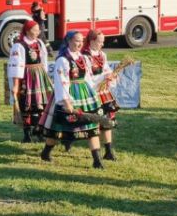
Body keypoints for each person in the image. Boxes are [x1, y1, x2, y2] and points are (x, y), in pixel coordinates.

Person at [39, 30, 105, 168]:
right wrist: (66, 101)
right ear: (68, 41)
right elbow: (61, 81)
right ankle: (46, 152)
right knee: (58, 129)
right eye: (76, 41)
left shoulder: (83, 58)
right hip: (69, 95)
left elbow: (88, 78)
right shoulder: (63, 60)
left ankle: (97, 161)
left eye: (81, 41)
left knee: (91, 127)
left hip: (84, 94)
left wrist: (102, 82)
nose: (80, 44)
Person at [7, 19, 53, 143]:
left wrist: (45, 77)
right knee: (26, 105)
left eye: (38, 30)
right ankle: (27, 134)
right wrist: (16, 85)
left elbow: (44, 61)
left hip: (39, 77)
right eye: (35, 30)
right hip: (26, 77)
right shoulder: (19, 46)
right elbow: (16, 66)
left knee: (40, 105)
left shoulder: (39, 43)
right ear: (27, 31)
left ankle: (39, 131)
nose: (38, 32)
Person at [82, 30, 119, 161]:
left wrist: (111, 75)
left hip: (103, 92)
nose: (102, 44)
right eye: (99, 42)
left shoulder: (102, 54)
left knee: (107, 121)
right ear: (91, 41)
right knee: (93, 123)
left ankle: (108, 151)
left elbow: (106, 69)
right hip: (92, 92)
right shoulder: (85, 56)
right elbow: (86, 77)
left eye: (103, 42)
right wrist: (103, 78)